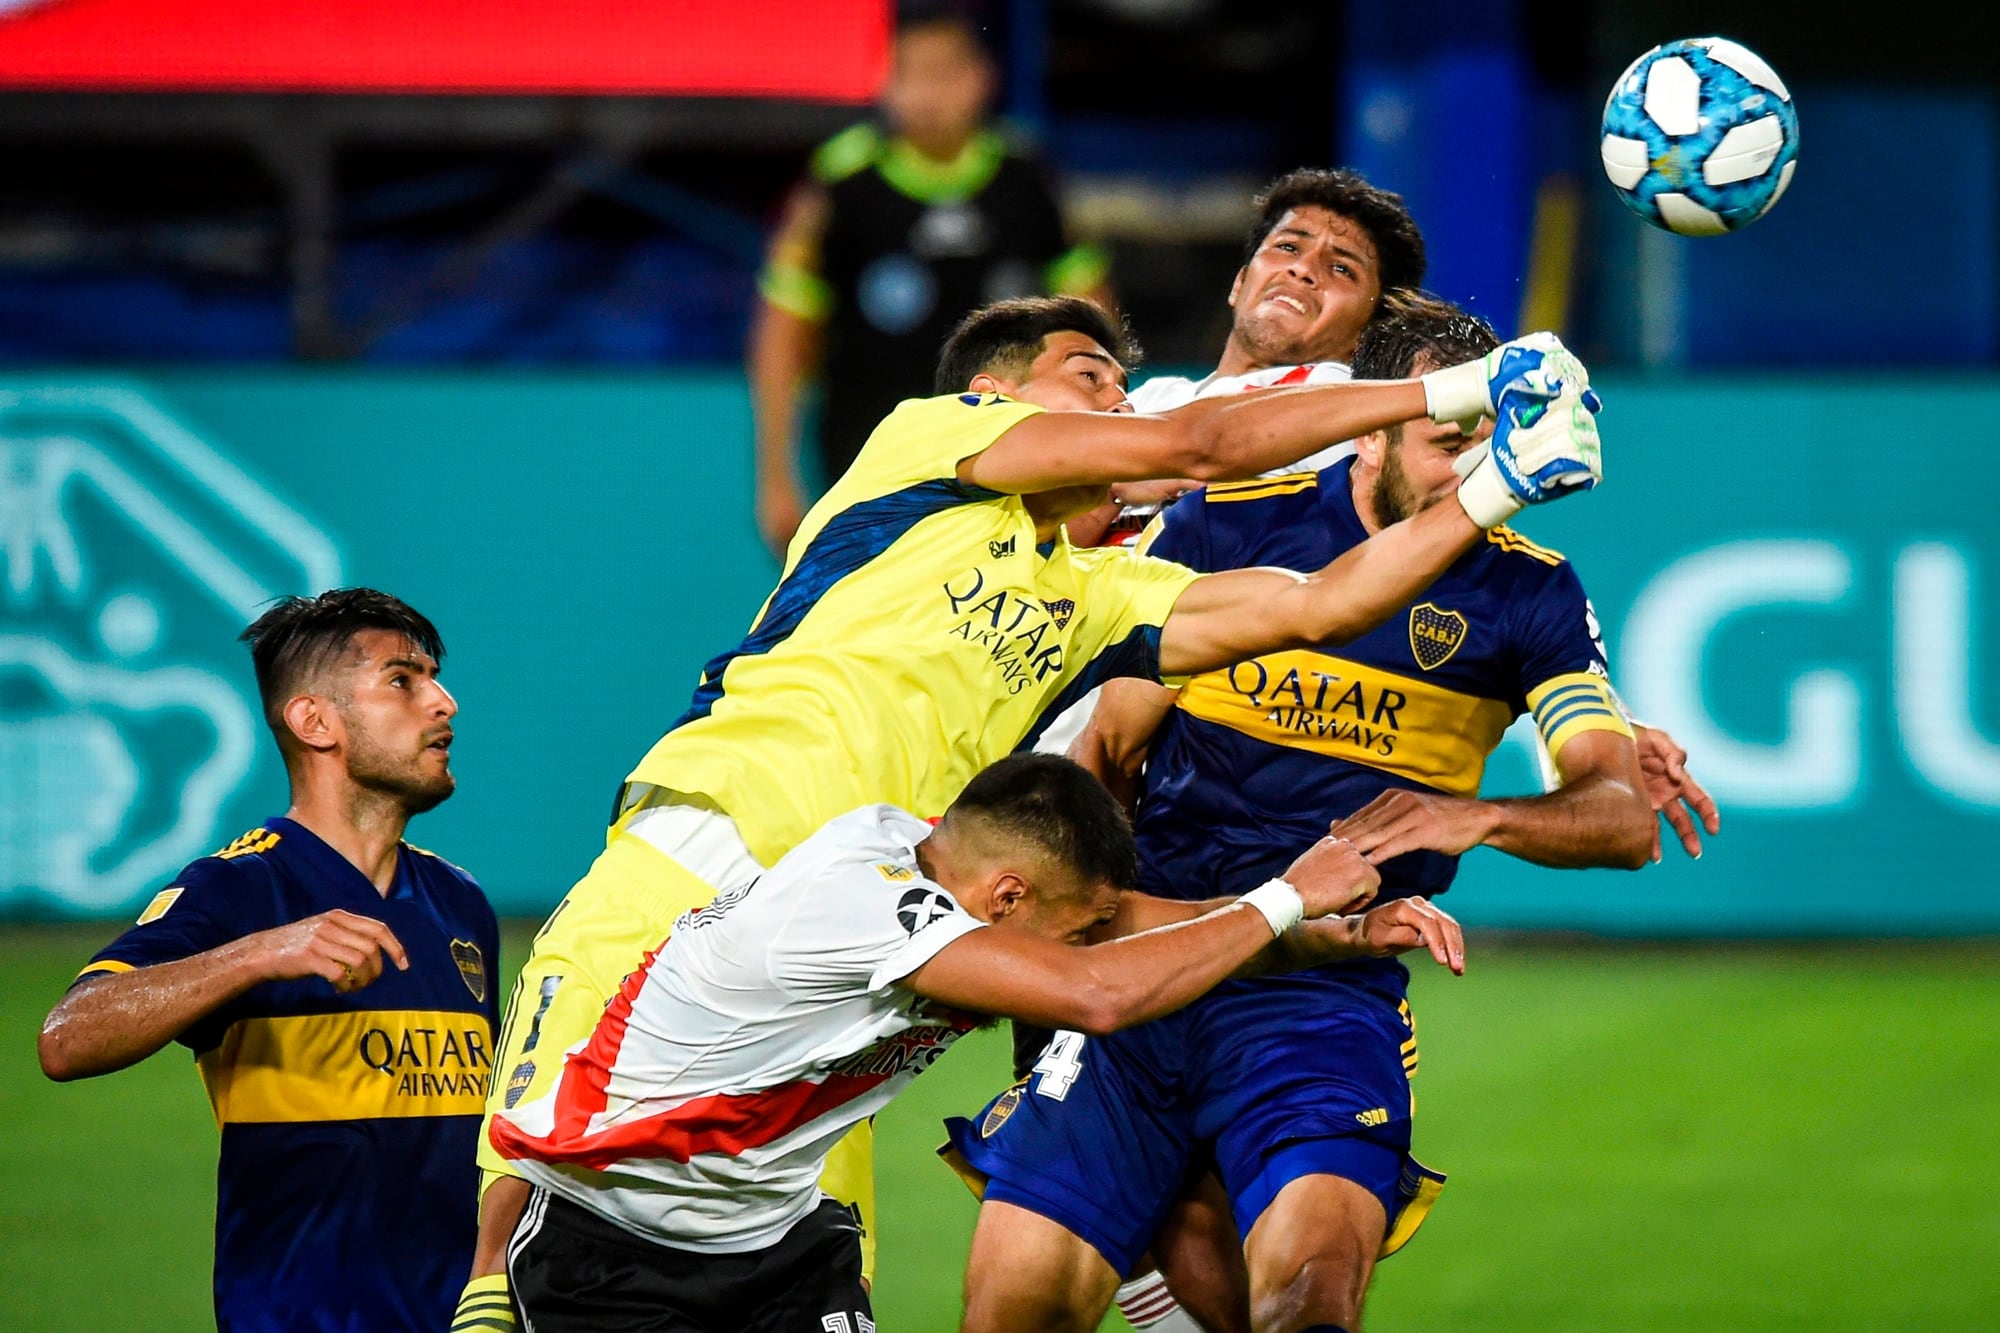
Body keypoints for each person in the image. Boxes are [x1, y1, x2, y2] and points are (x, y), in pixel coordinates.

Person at [465, 292, 1605, 1327]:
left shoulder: (1100, 594)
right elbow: (1194, 443)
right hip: (721, 828)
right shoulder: (928, 444)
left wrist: (1496, 485)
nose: (1117, 400)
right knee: (550, 1150)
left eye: (1122, 383)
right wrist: (1464, 388)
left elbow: (1323, 601)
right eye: (1088, 377)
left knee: (791, 1216)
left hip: (891, 908)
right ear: (996, 394)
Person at [949, 297, 1655, 1333]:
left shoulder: (1530, 594)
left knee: (1305, 1299)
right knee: (1018, 1308)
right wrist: (1094, 945)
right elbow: (1108, 748)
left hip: (1321, 996)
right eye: (1446, 442)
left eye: (1487, 444)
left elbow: (1623, 817)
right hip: (1156, 959)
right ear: (1373, 431)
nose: (1472, 472)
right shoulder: (1226, 524)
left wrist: (1481, 817)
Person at [492, 753, 1471, 1332]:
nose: (1082, 940)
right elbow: (1098, 992)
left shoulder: (936, 855)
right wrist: (1289, 890)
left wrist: (1334, 933)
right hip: (612, 1239)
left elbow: (1153, 928)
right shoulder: (859, 905)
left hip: (778, 1242)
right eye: (1071, 925)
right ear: (1007, 897)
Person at [37, 588, 498, 1332]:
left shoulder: (460, 903)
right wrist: (260, 952)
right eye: (402, 680)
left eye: (434, 680)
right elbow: (67, 1037)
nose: (444, 703)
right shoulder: (240, 887)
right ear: (314, 721)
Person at [748, 3, 1111, 555]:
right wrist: (776, 474)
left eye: (944, 74)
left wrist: (1106, 443)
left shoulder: (1027, 179)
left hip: (1010, 466)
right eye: (909, 75)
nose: (927, 96)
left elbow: (1090, 317)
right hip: (868, 465)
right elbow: (784, 332)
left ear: (981, 79)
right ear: (884, 83)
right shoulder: (842, 185)